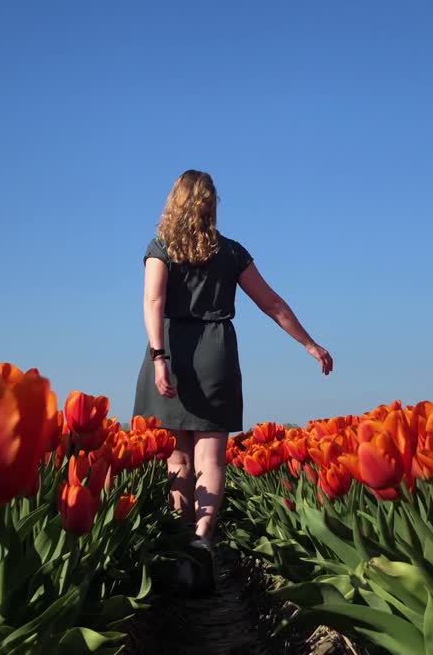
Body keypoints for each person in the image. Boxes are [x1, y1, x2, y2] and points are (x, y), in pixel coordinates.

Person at [133, 170, 333, 585]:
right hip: (215, 353)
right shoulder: (231, 252)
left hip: (173, 344)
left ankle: (179, 547)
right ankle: (202, 546)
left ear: (174, 201)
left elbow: (154, 299)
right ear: (211, 205)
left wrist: (158, 356)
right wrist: (309, 344)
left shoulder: (161, 248)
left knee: (179, 460)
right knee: (210, 458)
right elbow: (271, 303)